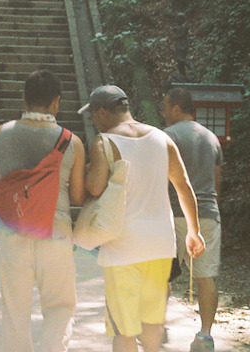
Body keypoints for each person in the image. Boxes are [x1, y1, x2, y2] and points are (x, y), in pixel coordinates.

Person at [80, 84, 205, 352]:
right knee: (152, 325)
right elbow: (184, 186)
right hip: (161, 245)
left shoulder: (105, 142)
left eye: (92, 114)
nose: (92, 120)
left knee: (124, 330)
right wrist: (194, 231)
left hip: (122, 247)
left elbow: (94, 187)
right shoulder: (162, 138)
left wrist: (86, 170)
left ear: (102, 112)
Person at [0, 70, 86, 352]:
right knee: (60, 306)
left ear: (24, 99)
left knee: (15, 310)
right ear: (56, 102)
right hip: (56, 232)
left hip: (14, 231)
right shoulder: (71, 142)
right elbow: (77, 196)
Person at [161, 89, 224, 352]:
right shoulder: (211, 138)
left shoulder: (168, 136)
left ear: (177, 108)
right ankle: (206, 335)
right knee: (206, 276)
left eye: (165, 107)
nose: (163, 112)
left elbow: (160, 178)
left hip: (174, 213)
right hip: (208, 213)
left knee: (162, 275)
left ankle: (155, 325)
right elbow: (217, 183)